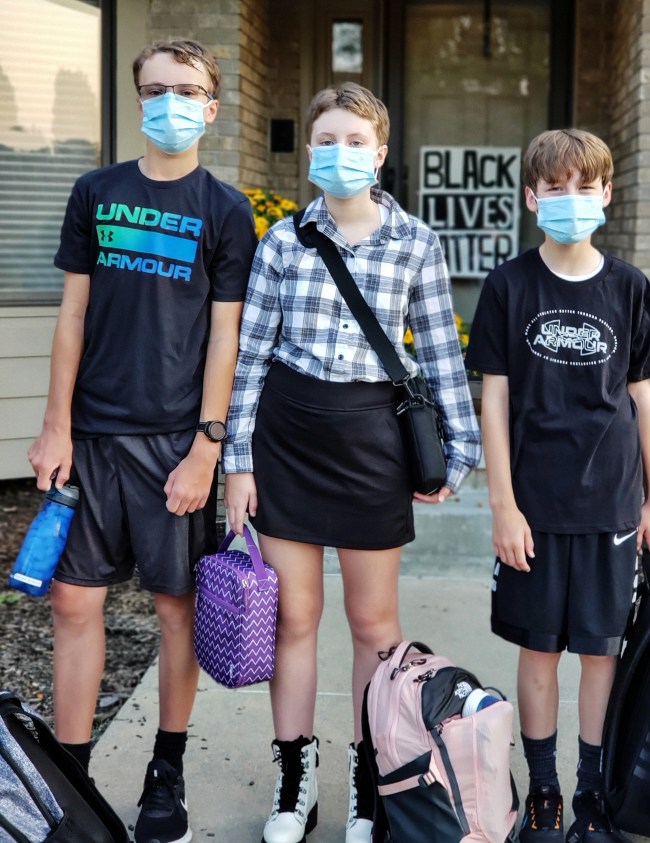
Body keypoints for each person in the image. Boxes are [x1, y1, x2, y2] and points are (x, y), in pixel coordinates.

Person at [223, 82, 481, 843]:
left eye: (356, 141)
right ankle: (293, 778)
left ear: (382, 152)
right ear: (309, 151)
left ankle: (371, 781)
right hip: (288, 438)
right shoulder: (281, 241)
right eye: (327, 140)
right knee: (295, 619)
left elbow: (438, 353)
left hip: (371, 444)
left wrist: (455, 458)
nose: (341, 154)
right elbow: (250, 358)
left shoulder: (416, 243)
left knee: (374, 627)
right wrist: (238, 460)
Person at [28, 39, 256, 843]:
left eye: (186, 90)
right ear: (137, 100)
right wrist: (54, 424)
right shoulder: (96, 192)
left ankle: (168, 767)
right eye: (156, 89)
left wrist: (207, 445)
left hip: (172, 444)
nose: (170, 102)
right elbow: (72, 316)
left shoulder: (226, 210)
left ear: (212, 107)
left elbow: (225, 338)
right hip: (90, 435)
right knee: (73, 602)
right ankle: (72, 780)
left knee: (175, 608)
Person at [465, 129, 650, 843]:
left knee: (601, 652)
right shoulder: (509, 284)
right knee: (540, 650)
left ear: (607, 194)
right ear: (531, 196)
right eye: (556, 187)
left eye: (586, 186)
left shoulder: (629, 287)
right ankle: (545, 791)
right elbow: (493, 399)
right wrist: (502, 504)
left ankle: (591, 793)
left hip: (611, 497)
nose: (571, 199)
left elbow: (640, 397)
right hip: (535, 505)